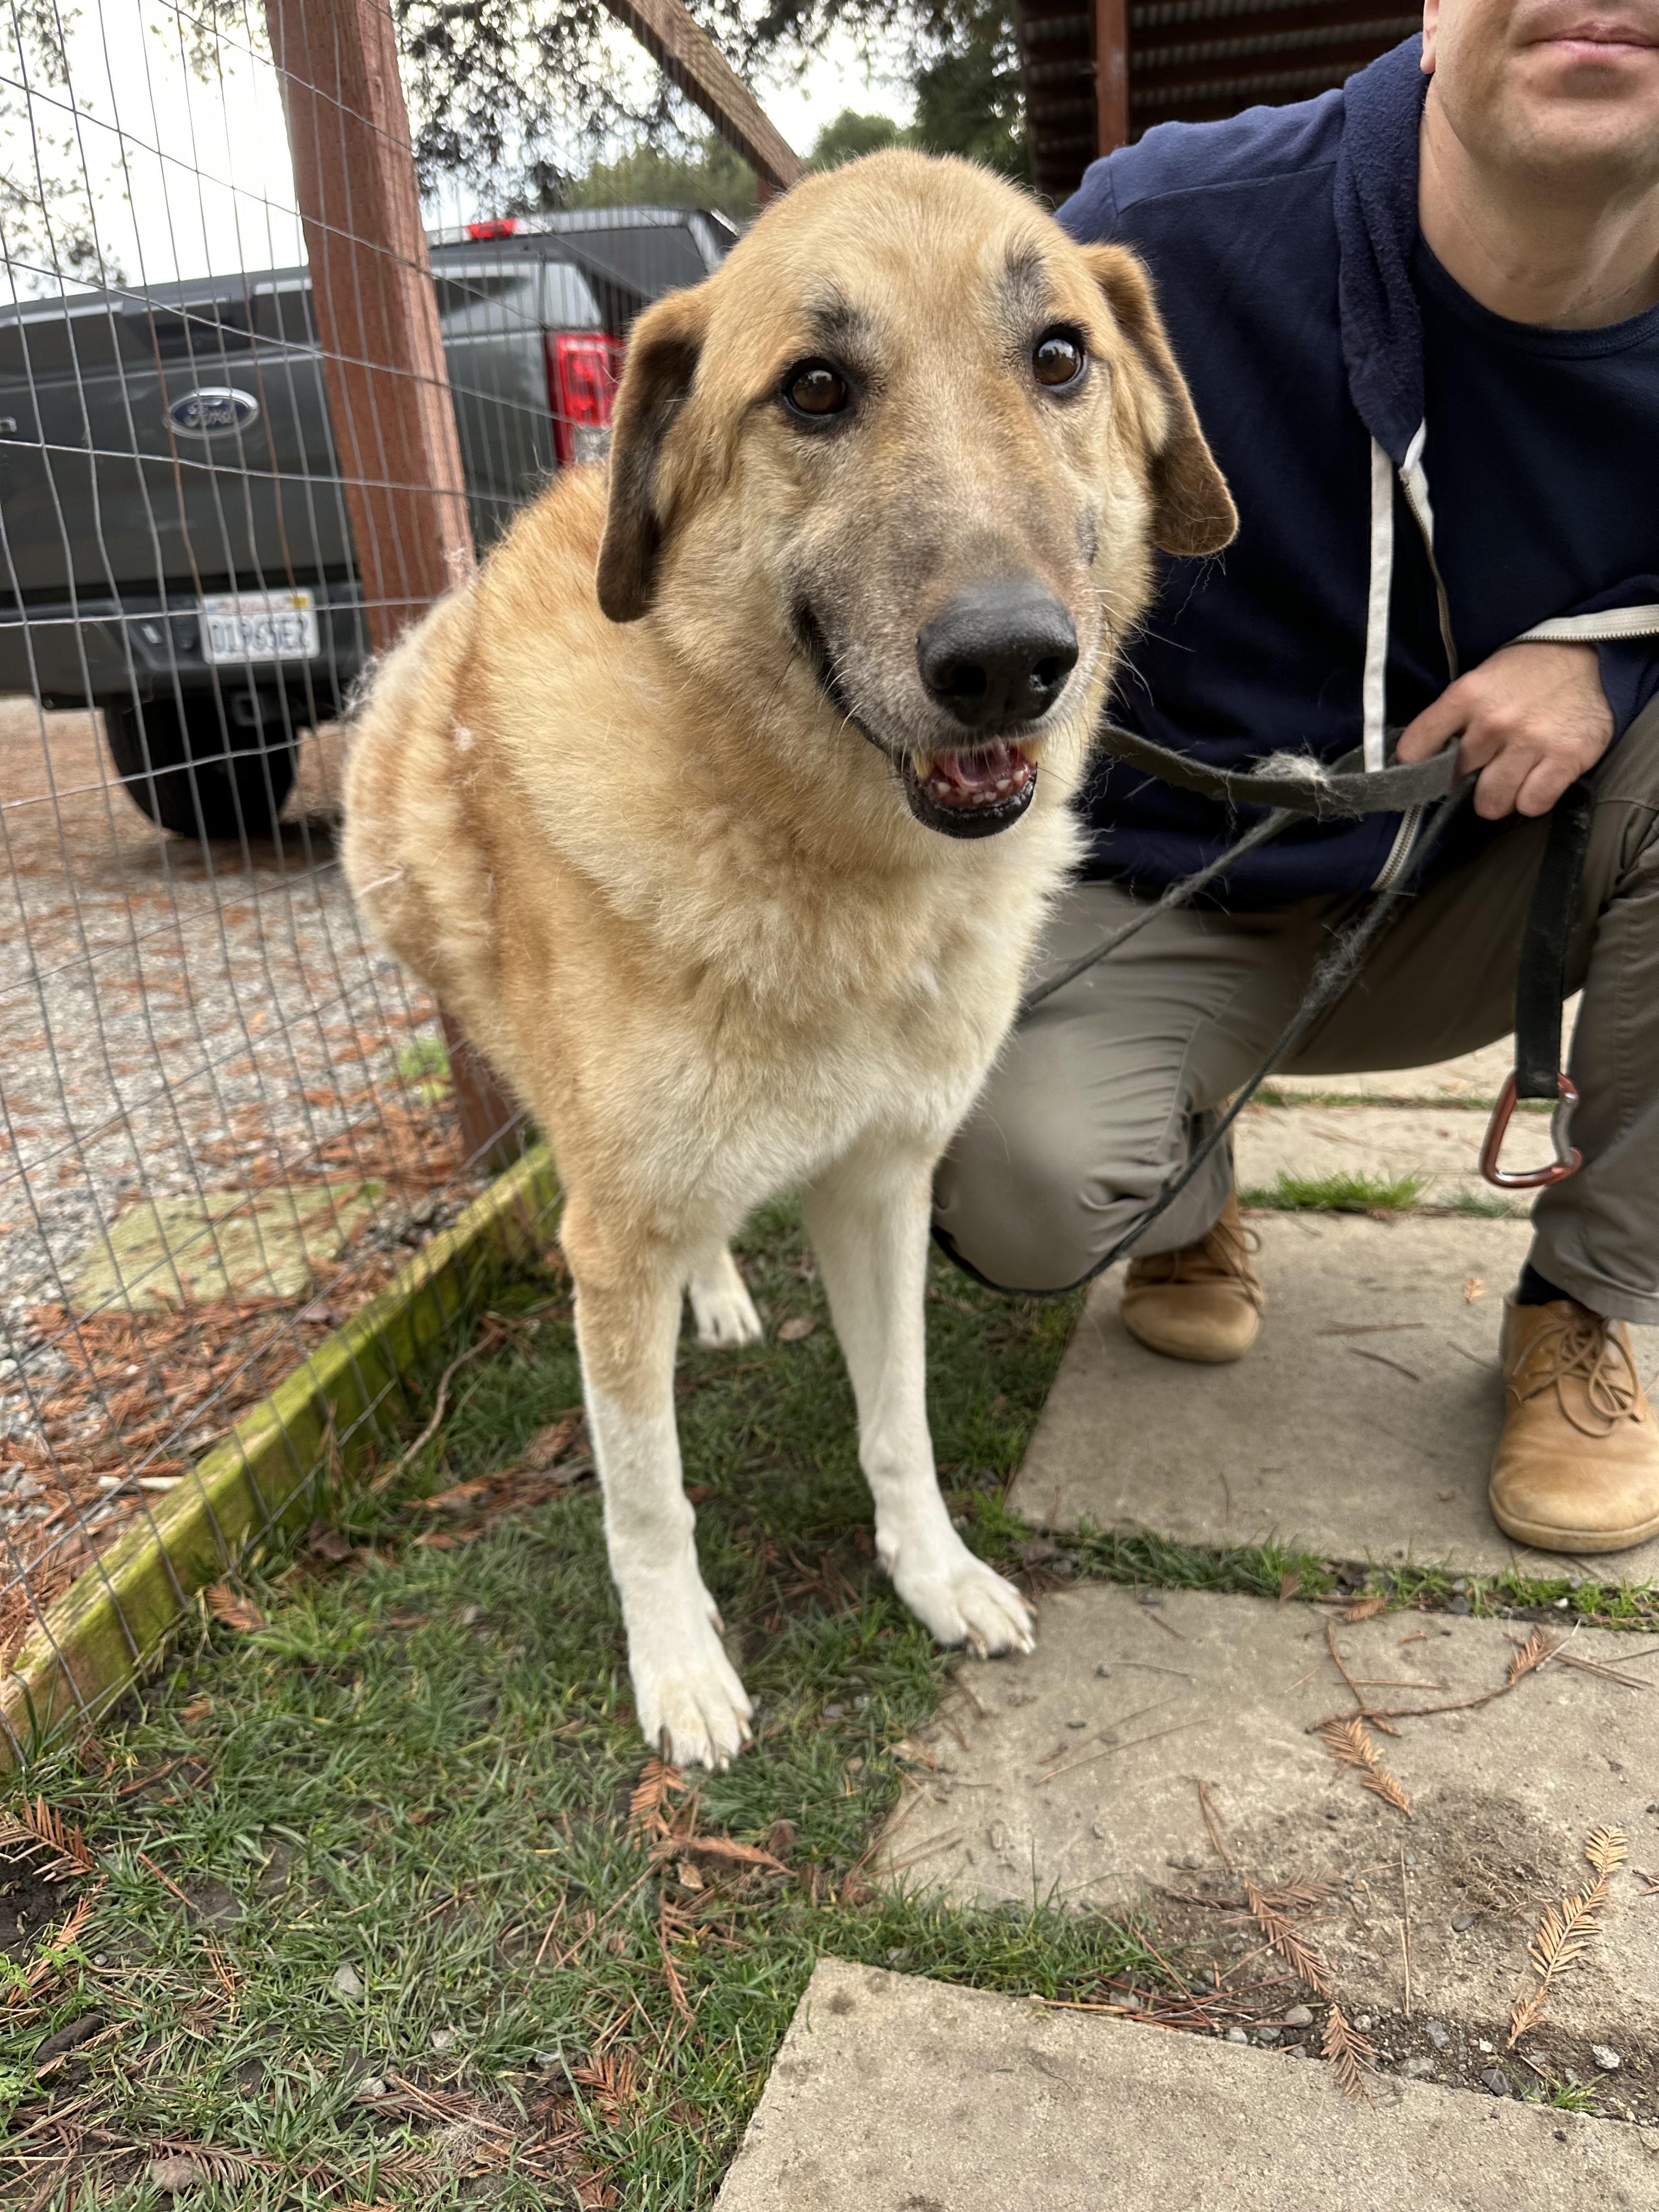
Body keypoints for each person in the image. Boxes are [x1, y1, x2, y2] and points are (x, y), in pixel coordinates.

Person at [932, 4, 1659, 1554]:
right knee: (1022, 1186)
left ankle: (1584, 1299)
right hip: (1171, 886)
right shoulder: (1156, 235)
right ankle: (1181, 1192)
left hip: (1494, 887)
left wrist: (1616, 661)